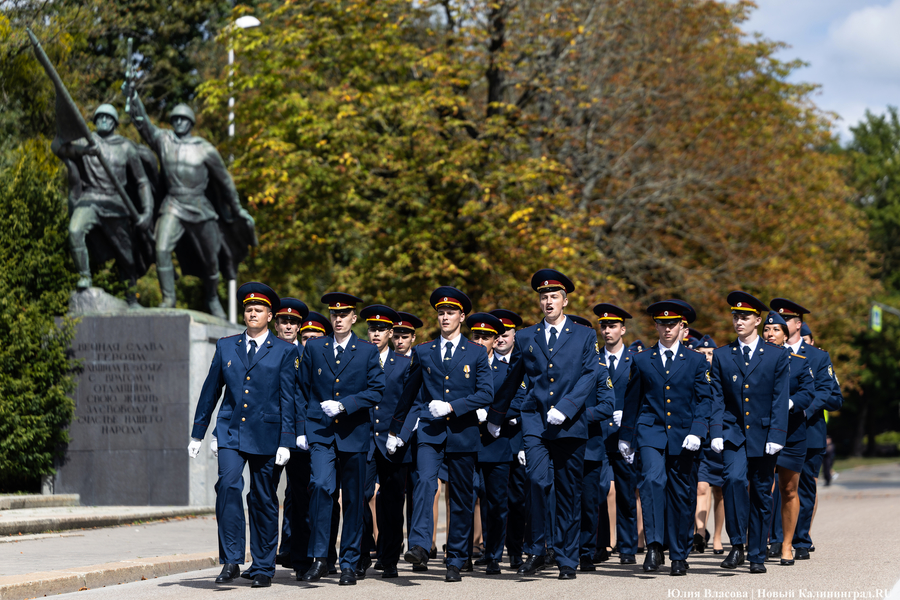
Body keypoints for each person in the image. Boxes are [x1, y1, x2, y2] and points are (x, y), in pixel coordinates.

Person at [491, 269, 601, 581]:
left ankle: (567, 557)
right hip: (535, 421)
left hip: (570, 423)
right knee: (537, 483)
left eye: (554, 296)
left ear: (565, 301)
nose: (548, 301)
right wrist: (497, 417)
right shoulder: (526, 336)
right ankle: (537, 549)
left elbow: (590, 374)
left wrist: (567, 408)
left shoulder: (582, 335)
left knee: (568, 491)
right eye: (543, 296)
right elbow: (513, 379)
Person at [187, 282, 297, 587]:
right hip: (231, 431)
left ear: (270, 316)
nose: (252, 314)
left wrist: (287, 440)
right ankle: (232, 560)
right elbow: (211, 391)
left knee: (263, 498)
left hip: (267, 434)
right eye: (248, 309)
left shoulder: (285, 351)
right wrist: (199, 433)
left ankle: (263, 565)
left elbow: (288, 397)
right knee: (228, 488)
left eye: (258, 310)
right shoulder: (226, 346)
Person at [387, 286, 494, 582]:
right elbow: (409, 394)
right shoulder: (423, 351)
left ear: (462, 316)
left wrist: (452, 406)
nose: (444, 317)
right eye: (440, 312)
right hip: (430, 432)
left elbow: (486, 393)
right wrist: (397, 430)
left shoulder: (475, 352)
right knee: (423, 482)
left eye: (450, 312)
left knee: (460, 496)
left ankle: (457, 558)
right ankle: (420, 544)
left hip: (462, 432)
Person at [129, 95, 255, 317]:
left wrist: (237, 209)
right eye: (175, 119)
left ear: (190, 123)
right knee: (161, 249)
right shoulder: (163, 140)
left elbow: (225, 181)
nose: (178, 122)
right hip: (173, 204)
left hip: (200, 207)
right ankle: (169, 298)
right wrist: (133, 96)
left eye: (183, 119)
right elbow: (143, 124)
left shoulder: (204, 149)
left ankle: (212, 297)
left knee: (211, 259)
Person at [295, 292, 385, 586]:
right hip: (321, 431)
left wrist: (346, 404)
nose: (338, 318)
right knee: (320, 486)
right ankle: (321, 558)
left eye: (344, 314)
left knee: (355, 499)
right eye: (334, 314)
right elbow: (303, 390)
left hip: (354, 433)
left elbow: (376, 391)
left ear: (353, 318)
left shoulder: (366, 351)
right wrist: (301, 429)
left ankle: (348, 561)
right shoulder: (315, 347)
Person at [618, 300, 712, 576]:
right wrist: (626, 436)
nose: (667, 328)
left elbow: (704, 399)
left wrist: (698, 430)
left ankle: (679, 554)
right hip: (651, 430)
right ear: (656, 326)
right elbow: (632, 399)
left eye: (672, 324)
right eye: (662, 323)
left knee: (681, 493)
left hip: (684, 434)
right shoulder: (642, 359)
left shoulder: (695, 360)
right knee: (652, 481)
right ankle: (654, 546)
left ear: (682, 327)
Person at [708, 291, 789, 575]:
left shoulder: (777, 355)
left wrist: (778, 434)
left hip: (765, 433)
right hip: (733, 432)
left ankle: (756, 553)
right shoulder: (721, 355)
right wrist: (715, 430)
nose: (738, 321)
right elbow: (717, 396)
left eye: (744, 317)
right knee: (732, 479)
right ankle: (737, 543)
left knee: (761, 494)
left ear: (757, 320)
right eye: (735, 316)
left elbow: (780, 398)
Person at [51, 104, 153, 302]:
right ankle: (84, 276)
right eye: (99, 118)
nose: (103, 121)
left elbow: (142, 182)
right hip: (90, 200)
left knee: (127, 257)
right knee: (74, 231)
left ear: (115, 123)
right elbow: (57, 147)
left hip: (116, 204)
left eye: (108, 118)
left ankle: (131, 298)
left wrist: (147, 211)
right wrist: (85, 151)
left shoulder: (126, 147)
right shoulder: (86, 141)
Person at [768, 300, 843, 560]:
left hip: (807, 430)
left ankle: (801, 539)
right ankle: (777, 539)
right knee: (777, 486)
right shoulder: (769, 352)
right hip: (772, 431)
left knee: (803, 488)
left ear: (797, 325)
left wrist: (803, 411)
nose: (779, 326)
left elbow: (826, 392)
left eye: (785, 321)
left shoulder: (818, 356)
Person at [358, 305, 415, 579]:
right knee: (358, 497)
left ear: (390, 333)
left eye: (381, 330)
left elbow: (411, 403)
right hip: (363, 440)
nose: (375, 334)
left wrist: (401, 435)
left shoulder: (404, 364)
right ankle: (362, 551)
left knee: (392, 502)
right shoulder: (357, 360)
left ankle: (389, 557)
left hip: (393, 442)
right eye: (372, 329)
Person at [285, 311, 340, 577]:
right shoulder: (290, 356)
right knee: (298, 500)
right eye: (304, 337)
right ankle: (300, 559)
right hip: (299, 439)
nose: (308, 342)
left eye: (314, 337)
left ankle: (327, 554)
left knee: (327, 496)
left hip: (326, 436)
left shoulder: (331, 357)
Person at [761, 311, 814, 566]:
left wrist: (789, 403)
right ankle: (759, 542)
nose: (770, 334)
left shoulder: (800, 361)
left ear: (786, 334)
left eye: (776, 330)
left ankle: (786, 544)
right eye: (767, 330)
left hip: (792, 433)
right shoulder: (754, 360)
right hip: (760, 433)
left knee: (788, 489)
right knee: (761, 489)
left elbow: (808, 392)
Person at [468, 312, 517, 574]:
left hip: (496, 442)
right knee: (466, 498)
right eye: (476, 335)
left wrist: (494, 415)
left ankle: (495, 554)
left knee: (497, 501)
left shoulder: (506, 369)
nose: (480, 340)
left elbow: (520, 402)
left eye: (486, 337)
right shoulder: (462, 365)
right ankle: (463, 553)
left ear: (494, 340)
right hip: (465, 440)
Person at [595, 303, 641, 566]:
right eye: (604, 326)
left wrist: (628, 416)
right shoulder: (592, 359)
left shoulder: (635, 360)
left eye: (612, 326)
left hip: (625, 435)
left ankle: (627, 546)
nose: (607, 330)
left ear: (623, 329)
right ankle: (601, 544)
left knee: (625, 492)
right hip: (599, 434)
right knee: (598, 491)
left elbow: (642, 396)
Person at [574, 314, 616, 572]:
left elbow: (607, 406)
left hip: (589, 445)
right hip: (561, 444)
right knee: (563, 501)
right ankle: (560, 548)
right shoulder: (558, 369)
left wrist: (576, 417)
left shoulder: (600, 369)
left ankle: (586, 551)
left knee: (589, 502)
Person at [271, 298, 309, 568]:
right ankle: (265, 558)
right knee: (264, 495)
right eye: (284, 320)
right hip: (272, 435)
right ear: (276, 323)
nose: (288, 326)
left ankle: (299, 556)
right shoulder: (268, 350)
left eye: (294, 322)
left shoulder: (309, 353)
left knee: (300, 496)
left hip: (301, 435)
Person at [490, 309, 527, 569]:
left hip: (518, 438)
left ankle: (516, 549)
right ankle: (491, 553)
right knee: (494, 499)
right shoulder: (485, 362)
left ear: (515, 335)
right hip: (493, 440)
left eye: (506, 334)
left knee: (518, 499)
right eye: (497, 334)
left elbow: (526, 398)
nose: (501, 338)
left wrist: (504, 415)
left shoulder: (524, 360)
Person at [693, 334, 725, 555]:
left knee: (720, 492)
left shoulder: (721, 376)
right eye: (702, 353)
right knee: (701, 487)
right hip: (701, 438)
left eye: (710, 353)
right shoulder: (694, 375)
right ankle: (700, 533)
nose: (706, 357)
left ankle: (717, 537)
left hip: (720, 437)